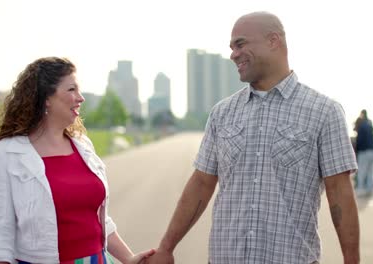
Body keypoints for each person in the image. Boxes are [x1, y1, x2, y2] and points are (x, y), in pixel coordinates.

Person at [148, 11, 360, 264]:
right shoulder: (222, 113)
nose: (233, 54)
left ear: (273, 41)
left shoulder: (324, 112)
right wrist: (166, 247)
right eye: (231, 47)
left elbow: (340, 193)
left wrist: (352, 260)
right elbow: (201, 183)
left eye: (240, 44)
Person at [0, 57, 154, 264]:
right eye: (71, 90)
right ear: (46, 98)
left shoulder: (83, 146)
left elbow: (97, 220)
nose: (80, 98)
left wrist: (129, 258)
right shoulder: (5, 155)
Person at [355, 109, 373, 196]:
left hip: (363, 151)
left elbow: (360, 140)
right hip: (372, 150)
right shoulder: (370, 125)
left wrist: (357, 150)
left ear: (362, 114)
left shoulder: (362, 126)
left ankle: (360, 190)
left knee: (362, 171)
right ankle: (369, 189)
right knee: (370, 171)